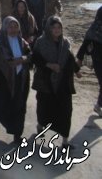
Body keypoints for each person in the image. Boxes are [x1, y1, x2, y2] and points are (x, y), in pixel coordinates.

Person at [32, 16, 81, 148]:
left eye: (59, 27)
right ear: (48, 28)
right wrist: (49, 65)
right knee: (44, 109)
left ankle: (65, 141)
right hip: (45, 81)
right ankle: (40, 125)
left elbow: (70, 58)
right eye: (53, 27)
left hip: (63, 82)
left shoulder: (65, 43)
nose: (56, 30)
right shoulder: (41, 42)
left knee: (66, 110)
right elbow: (35, 58)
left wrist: (77, 70)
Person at [0, 16, 31, 144]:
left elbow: (30, 54)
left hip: (21, 78)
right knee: (3, 105)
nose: (13, 30)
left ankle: (17, 134)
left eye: (16, 27)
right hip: (3, 79)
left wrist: (22, 59)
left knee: (20, 106)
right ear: (5, 28)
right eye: (10, 27)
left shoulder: (22, 41)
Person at [76, 6, 102, 117]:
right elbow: (86, 42)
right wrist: (80, 59)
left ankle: (99, 105)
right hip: (98, 59)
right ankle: (98, 105)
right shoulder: (95, 29)